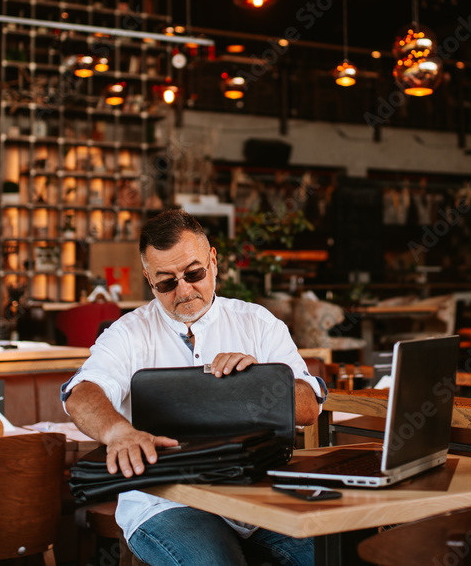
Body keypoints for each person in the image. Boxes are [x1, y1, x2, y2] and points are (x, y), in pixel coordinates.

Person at [62, 209, 324, 566]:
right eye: (166, 282)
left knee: (326, 555)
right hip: (165, 502)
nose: (183, 290)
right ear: (148, 278)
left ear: (213, 261)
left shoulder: (259, 323)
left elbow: (309, 408)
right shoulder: (127, 334)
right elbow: (82, 394)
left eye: (194, 273)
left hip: (256, 498)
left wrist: (259, 380)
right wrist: (118, 431)